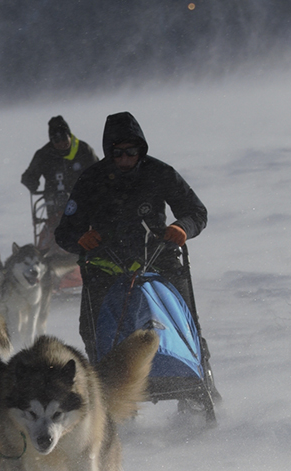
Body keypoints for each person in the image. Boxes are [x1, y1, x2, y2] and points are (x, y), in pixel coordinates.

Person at [54, 111, 218, 400]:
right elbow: (64, 232)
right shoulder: (92, 179)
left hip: (159, 262)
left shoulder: (160, 172)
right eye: (118, 153)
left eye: (132, 151)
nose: (125, 158)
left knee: (185, 324)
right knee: (91, 331)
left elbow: (197, 212)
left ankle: (201, 388)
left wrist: (182, 227)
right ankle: (109, 397)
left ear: (141, 150)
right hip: (105, 268)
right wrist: (81, 239)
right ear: (109, 153)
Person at [21, 116, 98, 256]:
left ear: (69, 136)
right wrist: (31, 182)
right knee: (53, 234)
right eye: (56, 140)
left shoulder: (83, 150)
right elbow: (28, 176)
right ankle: (47, 259)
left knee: (85, 230)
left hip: (82, 204)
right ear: (51, 141)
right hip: (53, 206)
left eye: (64, 138)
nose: (61, 143)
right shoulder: (44, 154)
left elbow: (99, 172)